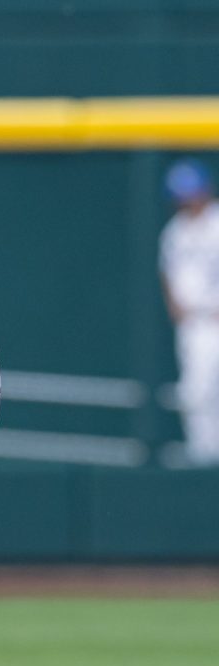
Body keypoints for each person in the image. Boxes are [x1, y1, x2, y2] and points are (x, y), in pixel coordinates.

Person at [159, 158, 219, 466]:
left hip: (215, 317)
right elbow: (168, 273)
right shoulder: (175, 231)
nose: (188, 200)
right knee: (195, 396)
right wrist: (174, 305)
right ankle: (204, 464)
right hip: (194, 326)